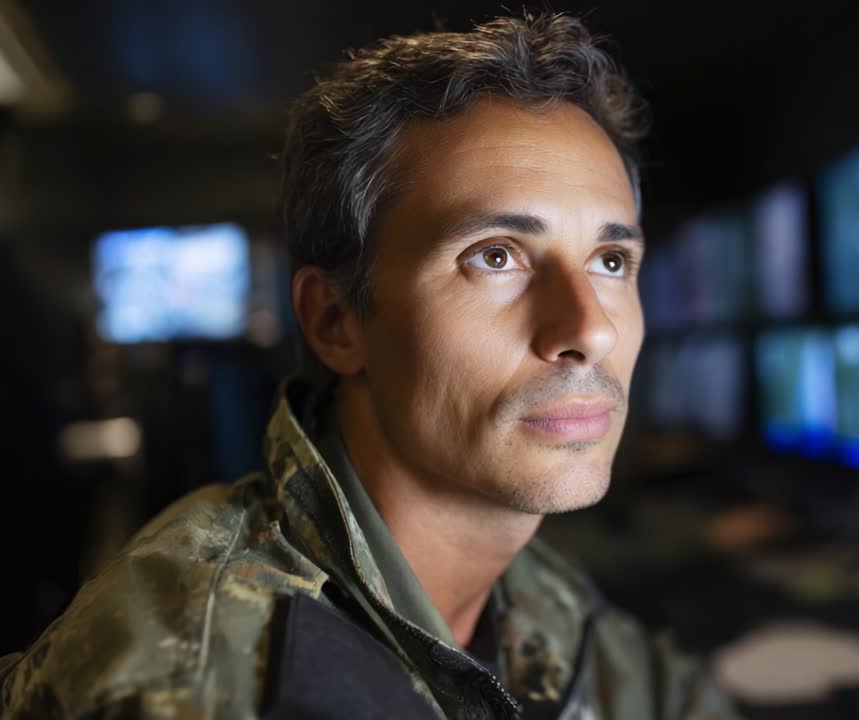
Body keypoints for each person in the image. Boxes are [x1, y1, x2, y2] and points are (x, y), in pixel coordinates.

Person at [0, 13, 740, 720]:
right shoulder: (197, 683)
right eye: (495, 257)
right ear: (335, 321)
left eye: (611, 261)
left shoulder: (545, 599)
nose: (589, 330)